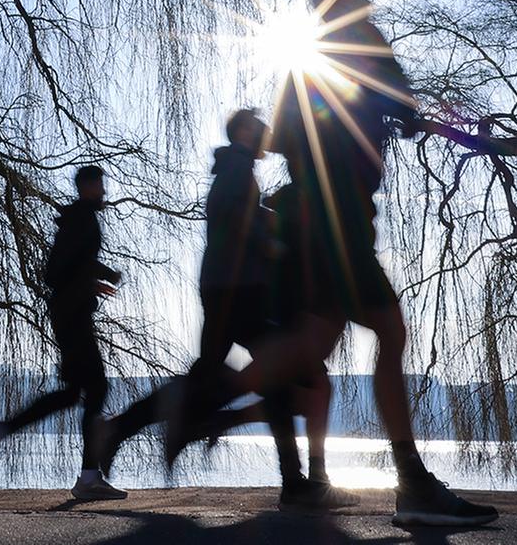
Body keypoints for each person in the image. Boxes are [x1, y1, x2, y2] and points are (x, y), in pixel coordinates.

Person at [170, 0, 499, 528]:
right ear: (343, 4)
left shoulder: (304, 67)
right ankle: (412, 481)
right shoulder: (362, 45)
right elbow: (402, 106)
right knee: (387, 331)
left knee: (313, 342)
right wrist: (429, 120)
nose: (363, 6)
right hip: (338, 222)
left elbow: (292, 138)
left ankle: (203, 404)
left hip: (320, 219)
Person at [96, 110, 350, 510]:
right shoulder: (236, 166)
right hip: (239, 289)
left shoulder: (236, 168)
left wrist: (267, 217)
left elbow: (235, 213)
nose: (268, 133)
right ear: (246, 131)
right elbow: (234, 216)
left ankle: (124, 428)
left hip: (227, 287)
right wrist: (273, 239)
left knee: (212, 377)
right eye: (261, 126)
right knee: (271, 376)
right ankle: (291, 481)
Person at [0, 165, 127, 501]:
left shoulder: (77, 219)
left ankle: (5, 431)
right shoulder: (82, 219)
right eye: (100, 185)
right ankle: (88, 477)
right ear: (88, 186)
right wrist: (103, 274)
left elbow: (61, 268)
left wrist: (92, 281)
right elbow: (61, 267)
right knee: (97, 388)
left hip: (68, 312)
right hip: (72, 316)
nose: (104, 192)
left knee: (74, 392)